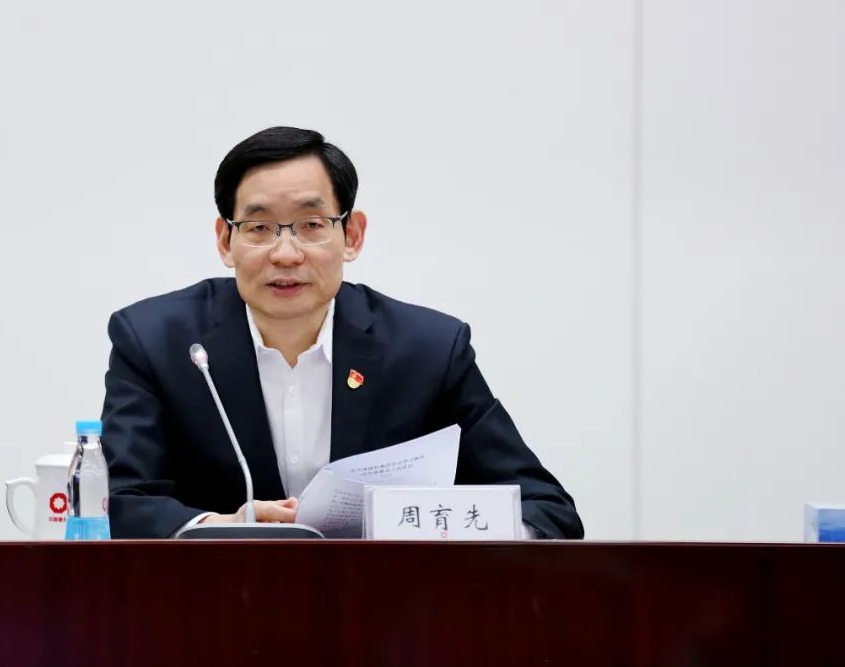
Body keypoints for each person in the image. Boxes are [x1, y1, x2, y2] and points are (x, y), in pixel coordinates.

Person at [101, 126, 583, 539]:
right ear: (226, 241)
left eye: (311, 224)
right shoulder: (155, 342)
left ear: (352, 236)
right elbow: (118, 502)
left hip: (382, 605)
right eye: (258, 227)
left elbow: (545, 508)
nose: (285, 254)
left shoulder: (428, 351)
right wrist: (221, 527)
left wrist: (442, 538)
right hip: (216, 602)